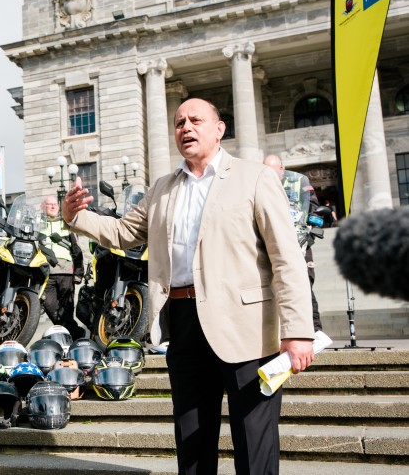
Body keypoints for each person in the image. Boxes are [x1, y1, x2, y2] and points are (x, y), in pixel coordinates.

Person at [62, 98, 315, 474]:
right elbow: (121, 231)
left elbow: (286, 257)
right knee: (192, 436)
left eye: (196, 120)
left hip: (245, 323)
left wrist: (297, 331)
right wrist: (76, 216)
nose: (186, 128)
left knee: (253, 437)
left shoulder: (254, 177)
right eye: (179, 122)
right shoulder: (163, 188)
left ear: (219, 129)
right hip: (182, 319)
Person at [263, 154, 323, 332]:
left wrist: (312, 232)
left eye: (273, 170)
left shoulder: (299, 184)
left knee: (304, 285)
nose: (270, 174)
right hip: (271, 246)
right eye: (265, 170)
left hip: (299, 245)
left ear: (281, 169)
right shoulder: (260, 187)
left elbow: (314, 211)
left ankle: (315, 331)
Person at [40, 196, 86, 340]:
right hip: (46, 273)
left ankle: (67, 336)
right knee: (49, 304)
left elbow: (76, 249)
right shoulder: (38, 225)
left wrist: (79, 272)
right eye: (49, 204)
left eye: (55, 204)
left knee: (67, 307)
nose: (53, 207)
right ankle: (75, 332)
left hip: (66, 271)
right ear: (43, 207)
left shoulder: (65, 224)